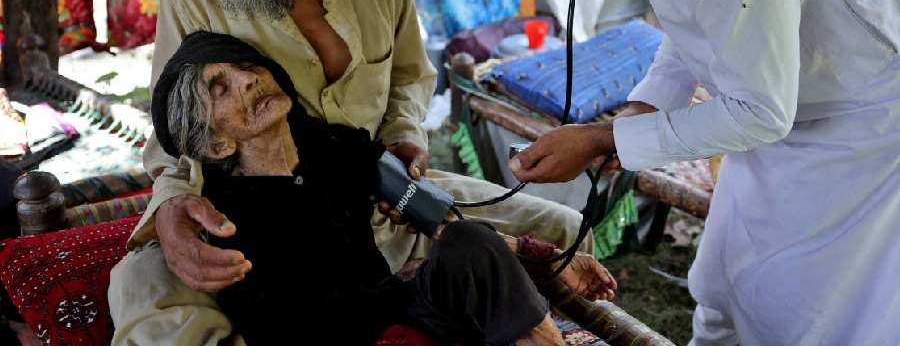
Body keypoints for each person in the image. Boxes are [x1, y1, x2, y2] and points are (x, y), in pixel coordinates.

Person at [114, 0, 594, 333]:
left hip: (379, 201)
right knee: (140, 289)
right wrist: (174, 212)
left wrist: (404, 138)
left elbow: (411, 80)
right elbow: (172, 136)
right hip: (253, 229)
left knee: (563, 229)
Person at [490, 0, 900, 346]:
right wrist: (636, 114)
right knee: (725, 287)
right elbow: (696, 27)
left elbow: (761, 109)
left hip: (860, 125)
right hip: (782, 109)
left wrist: (603, 140)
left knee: (811, 312)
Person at [109, 30, 616, 345]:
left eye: (245, 67)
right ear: (218, 144)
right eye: (220, 90)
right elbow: (283, 326)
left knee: (469, 241)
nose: (245, 82)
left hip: (392, 305)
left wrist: (538, 252)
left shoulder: (335, 146)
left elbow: (429, 212)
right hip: (331, 335)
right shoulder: (228, 214)